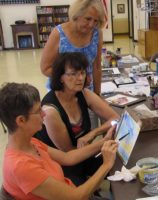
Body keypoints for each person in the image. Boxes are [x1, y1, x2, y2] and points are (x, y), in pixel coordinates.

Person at [0, 82, 118, 199]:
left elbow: (67, 157)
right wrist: (106, 164)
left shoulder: (29, 142)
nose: (44, 113)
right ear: (21, 121)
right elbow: (77, 197)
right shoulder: (22, 166)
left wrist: (103, 142)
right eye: (37, 111)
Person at [35, 52, 119, 186]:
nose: (80, 78)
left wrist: (93, 133)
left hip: (82, 154)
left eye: (83, 73)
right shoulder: (50, 112)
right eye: (73, 74)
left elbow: (115, 117)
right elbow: (69, 154)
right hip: (62, 164)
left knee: (119, 163)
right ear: (60, 77)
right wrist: (102, 143)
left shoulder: (83, 93)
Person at [40, 0, 106, 128]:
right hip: (62, 93)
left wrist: (97, 94)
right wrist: (70, 79)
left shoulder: (97, 33)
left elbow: (97, 65)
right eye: (88, 19)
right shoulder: (59, 34)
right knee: (68, 134)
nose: (92, 24)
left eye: (96, 21)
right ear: (76, 15)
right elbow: (45, 68)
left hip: (87, 91)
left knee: (90, 129)